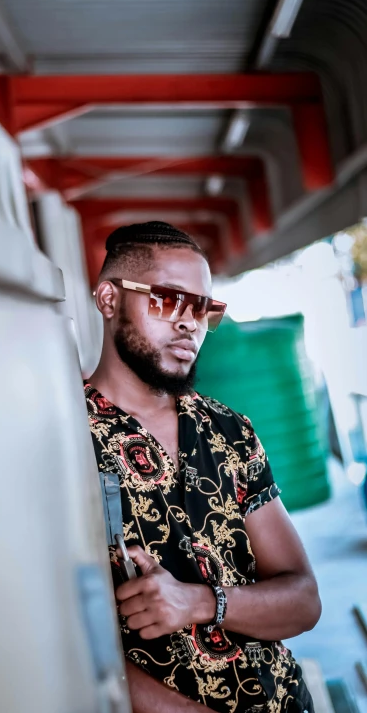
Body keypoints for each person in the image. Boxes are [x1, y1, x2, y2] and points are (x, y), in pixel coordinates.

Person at [84, 221, 321, 713]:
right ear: (109, 300)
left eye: (203, 307)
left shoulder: (228, 430)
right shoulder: (68, 441)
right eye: (169, 300)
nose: (190, 323)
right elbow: (74, 643)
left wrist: (197, 602)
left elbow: (303, 600)